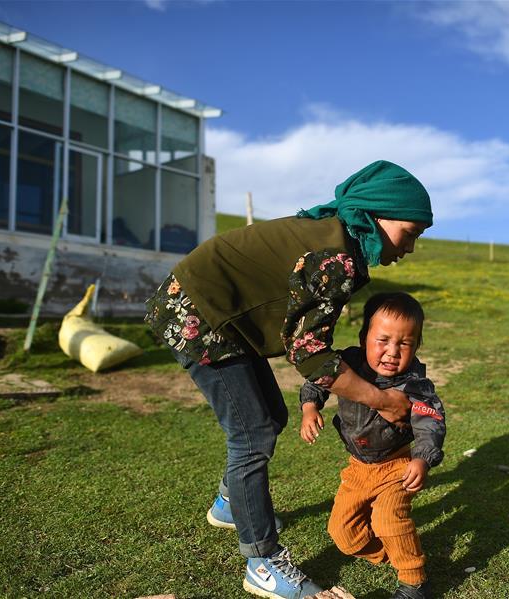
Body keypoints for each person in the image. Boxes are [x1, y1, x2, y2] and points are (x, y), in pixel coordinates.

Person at [144, 160, 432, 599]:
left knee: (271, 414)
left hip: (218, 316)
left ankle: (229, 504)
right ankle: (261, 561)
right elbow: (308, 352)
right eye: (410, 233)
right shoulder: (337, 257)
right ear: (377, 215)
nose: (410, 247)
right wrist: (381, 400)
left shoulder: (339, 239)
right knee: (252, 435)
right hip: (201, 315)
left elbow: (305, 337)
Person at [299, 292, 446, 599]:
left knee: (388, 519)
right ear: (364, 336)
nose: (392, 352)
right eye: (383, 340)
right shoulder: (347, 363)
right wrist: (310, 408)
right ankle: (397, 553)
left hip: (397, 466)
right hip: (358, 468)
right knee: (343, 535)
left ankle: (414, 581)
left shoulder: (414, 382)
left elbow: (430, 419)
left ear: (416, 345)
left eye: (404, 343)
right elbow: (317, 379)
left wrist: (422, 458)